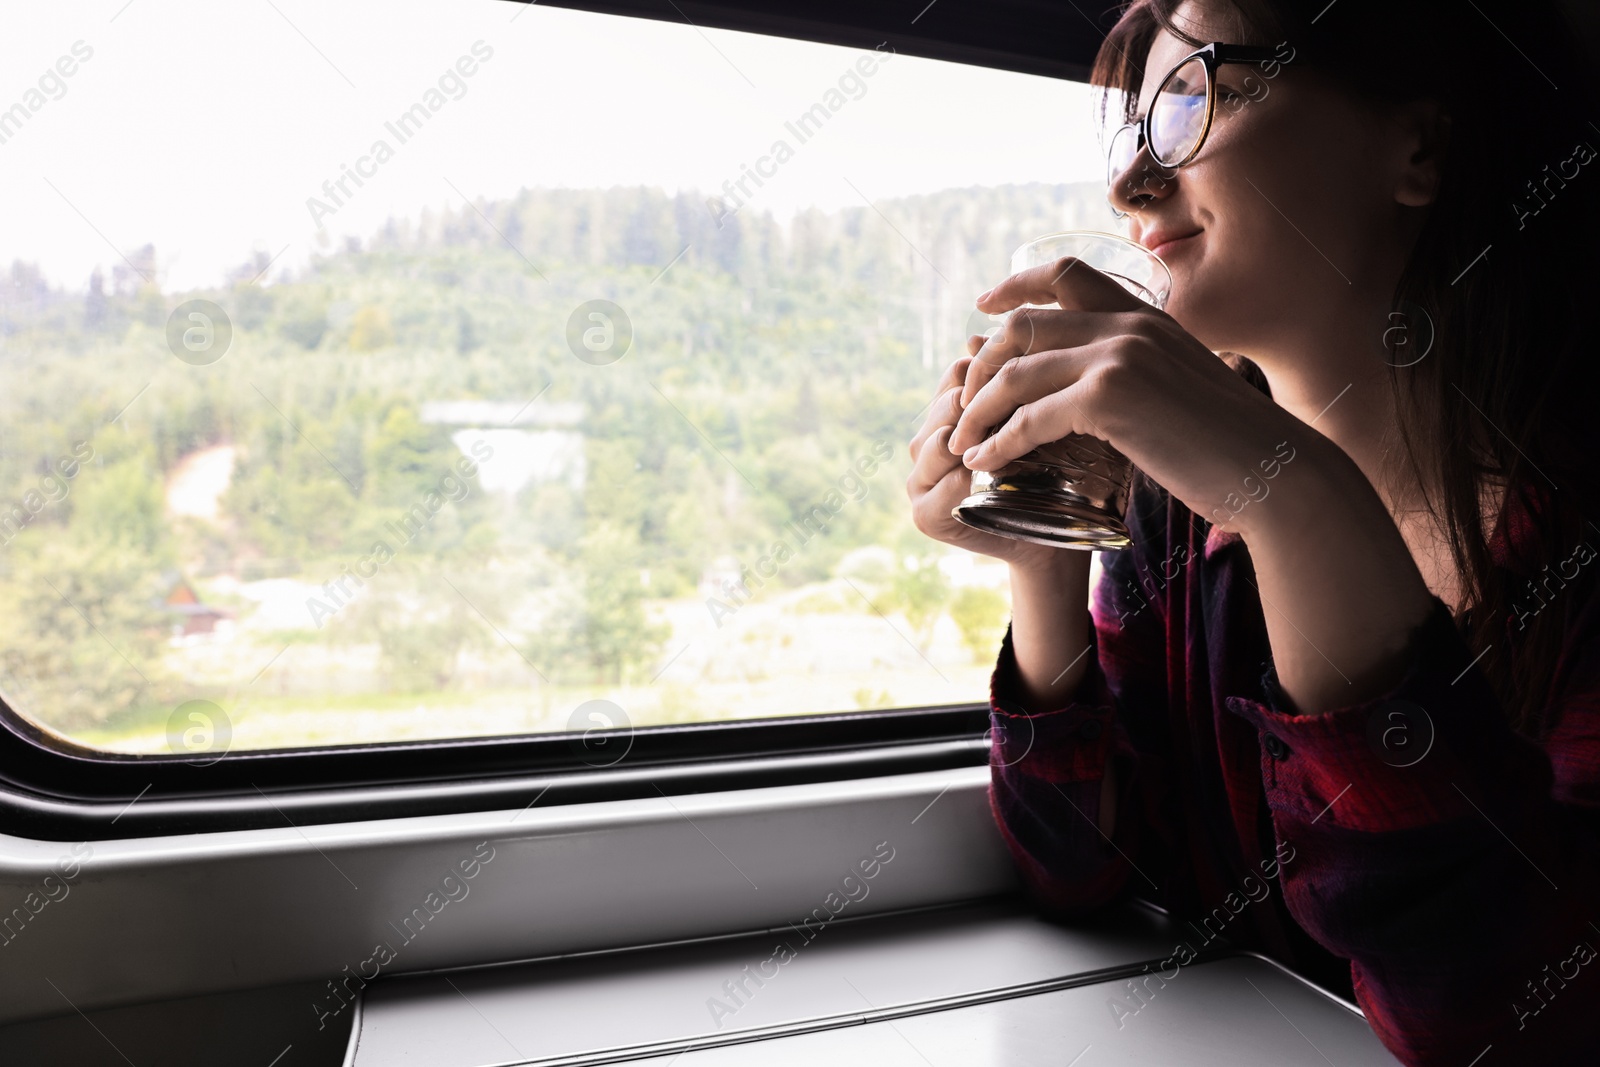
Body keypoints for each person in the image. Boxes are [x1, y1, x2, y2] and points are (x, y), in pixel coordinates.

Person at [906, 0, 1600, 1062]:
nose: (1131, 183)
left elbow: (1509, 1029)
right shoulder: (1179, 524)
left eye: (1193, 100)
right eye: (1133, 131)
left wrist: (1296, 503)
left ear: (1415, 145)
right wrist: (1042, 570)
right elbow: (1087, 872)